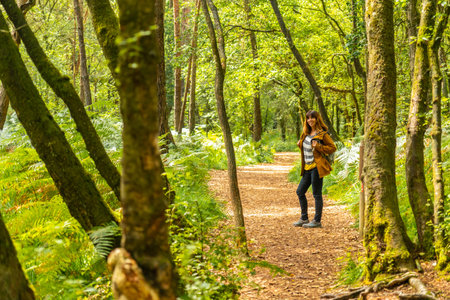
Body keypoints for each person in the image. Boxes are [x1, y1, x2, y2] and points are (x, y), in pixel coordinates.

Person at [293, 110, 336, 228]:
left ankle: (317, 221)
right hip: (307, 168)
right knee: (300, 191)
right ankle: (304, 218)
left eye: (312, 118)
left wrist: (319, 146)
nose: (310, 120)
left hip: (317, 167)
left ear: (317, 119)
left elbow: (333, 147)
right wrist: (300, 144)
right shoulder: (305, 133)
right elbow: (306, 147)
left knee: (317, 194)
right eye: (308, 118)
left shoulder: (322, 134)